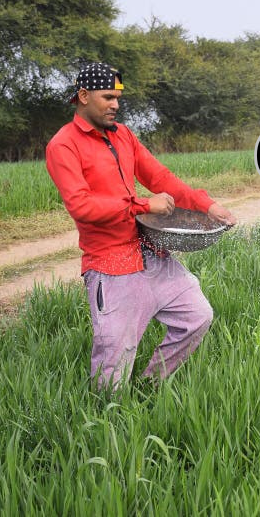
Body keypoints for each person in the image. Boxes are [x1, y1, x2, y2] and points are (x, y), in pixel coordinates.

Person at [45, 62, 237, 390]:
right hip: (110, 264)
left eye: (118, 97)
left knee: (197, 317)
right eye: (108, 97)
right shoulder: (63, 146)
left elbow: (159, 177)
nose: (116, 105)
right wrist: (143, 205)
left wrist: (207, 205)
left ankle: (149, 388)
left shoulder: (124, 136)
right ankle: (107, 422)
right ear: (83, 96)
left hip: (149, 253)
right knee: (112, 368)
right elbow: (82, 206)